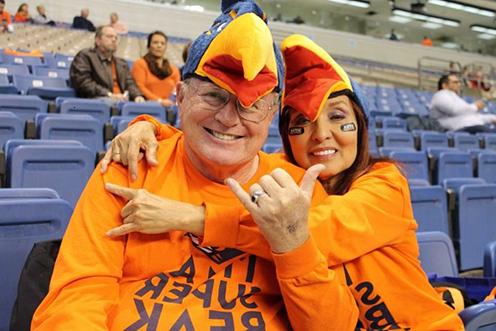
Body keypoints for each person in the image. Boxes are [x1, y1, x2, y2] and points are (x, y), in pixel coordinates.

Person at [102, 34, 465, 330]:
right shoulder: (284, 176)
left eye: (339, 118)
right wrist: (149, 128)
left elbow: (309, 230)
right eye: (301, 125)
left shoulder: (385, 183)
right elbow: (221, 143)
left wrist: (190, 217)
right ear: (288, 138)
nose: (322, 136)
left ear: (362, 126)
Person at [32, 2, 358, 330]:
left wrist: (294, 244)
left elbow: (334, 324)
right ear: (181, 96)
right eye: (214, 96)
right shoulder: (129, 167)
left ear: (272, 114)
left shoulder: (297, 192)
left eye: (252, 105)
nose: (229, 119)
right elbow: (77, 298)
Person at [69, 25, 144, 103]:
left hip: (122, 101)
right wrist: (109, 94)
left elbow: (130, 83)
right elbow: (83, 82)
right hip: (97, 101)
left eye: (116, 37)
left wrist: (137, 95)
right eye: (109, 36)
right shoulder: (86, 56)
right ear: (98, 40)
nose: (114, 40)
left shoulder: (121, 63)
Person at [430, 73, 496, 133]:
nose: (459, 84)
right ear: (444, 85)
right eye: (455, 82)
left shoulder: (455, 97)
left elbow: (472, 116)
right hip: (457, 129)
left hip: (472, 126)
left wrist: (492, 118)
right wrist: (475, 107)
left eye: (459, 82)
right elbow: (454, 111)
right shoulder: (440, 95)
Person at [131, 31, 180, 107]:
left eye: (162, 43)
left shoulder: (174, 69)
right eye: (155, 42)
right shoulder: (140, 64)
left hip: (170, 107)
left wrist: (170, 102)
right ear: (149, 46)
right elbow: (140, 87)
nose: (159, 46)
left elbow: (177, 90)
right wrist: (159, 101)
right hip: (148, 107)